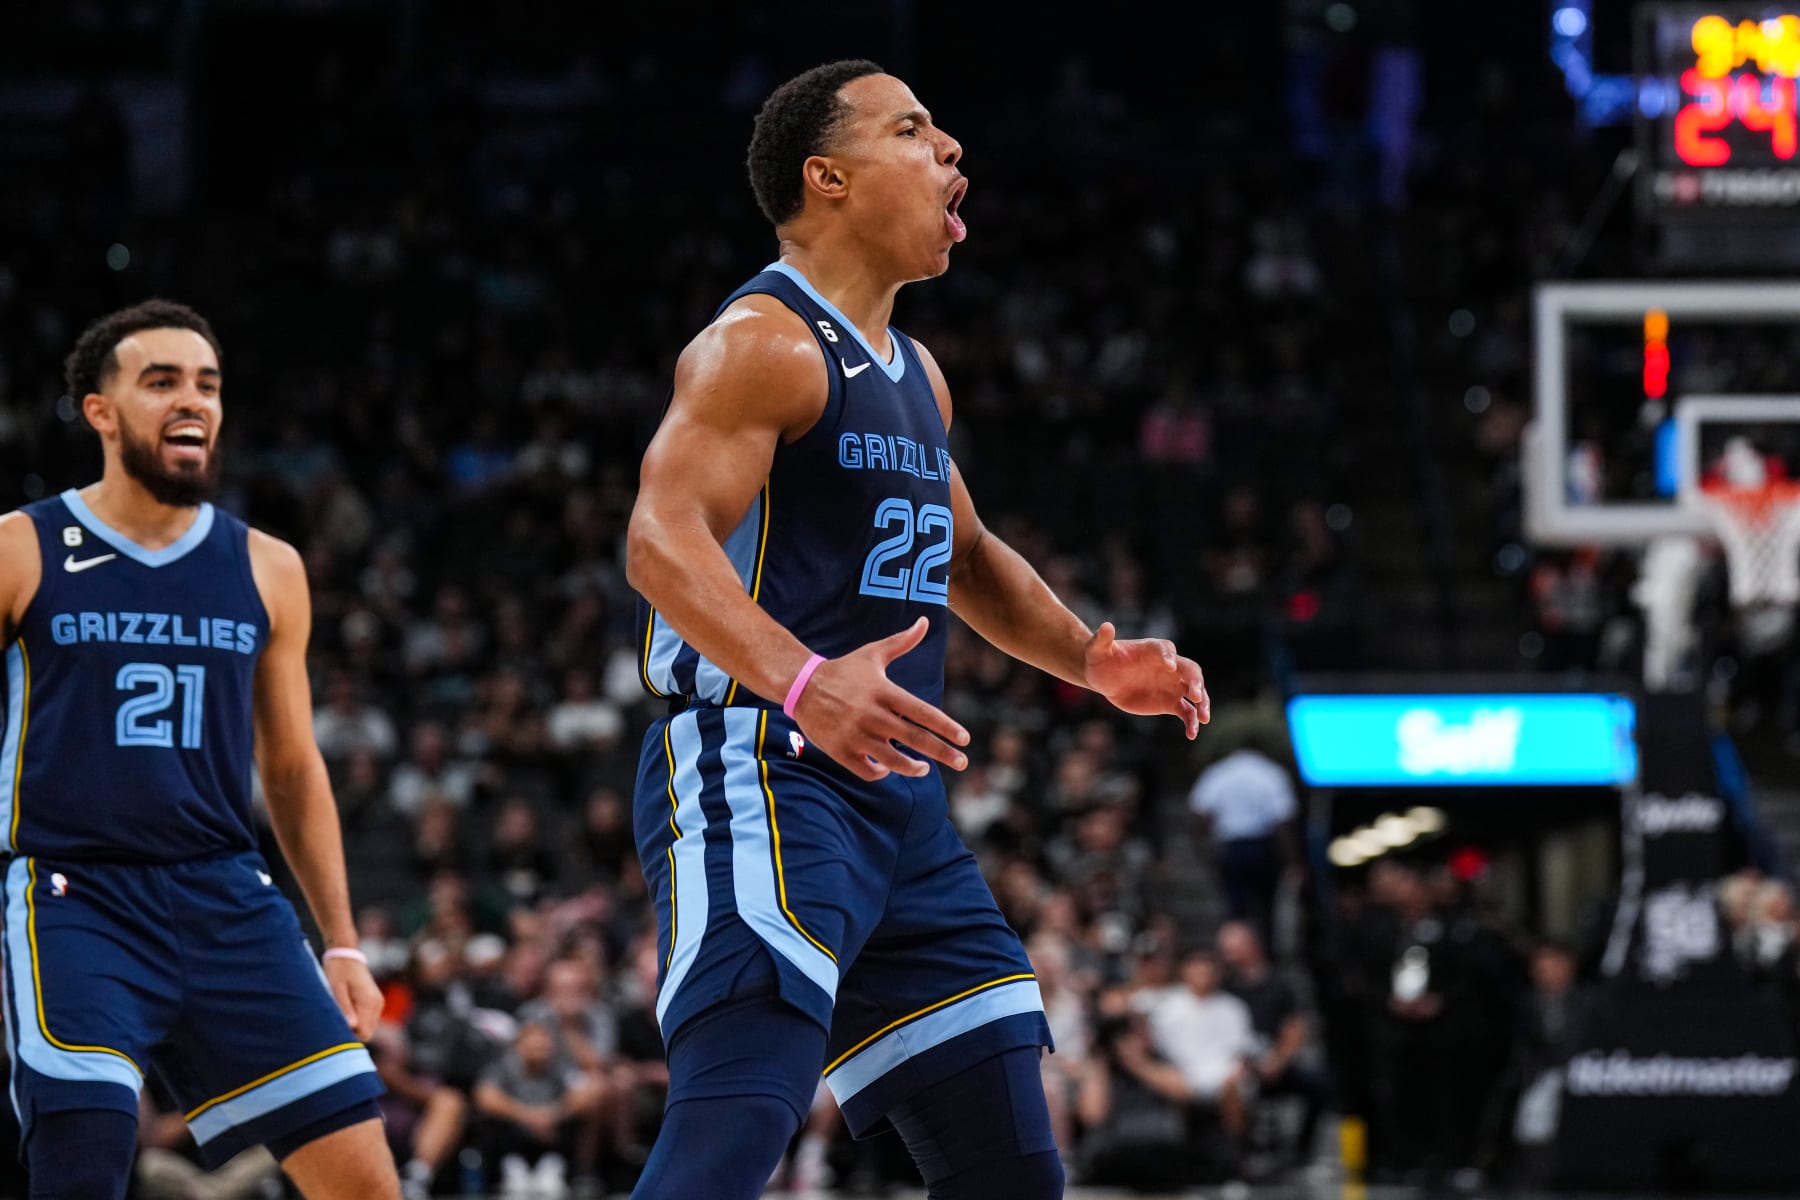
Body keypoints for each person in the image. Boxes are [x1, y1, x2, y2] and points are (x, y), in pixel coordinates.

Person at [625, 59, 1210, 1200]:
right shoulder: (763, 342)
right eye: (914, 130)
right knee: (734, 1133)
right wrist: (802, 683)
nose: (952, 151)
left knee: (1010, 1168)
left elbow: (970, 558)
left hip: (901, 811)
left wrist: (1091, 658)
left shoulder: (918, 376)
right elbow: (659, 540)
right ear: (827, 177)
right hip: (766, 767)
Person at [0, 301, 394, 1199]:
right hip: (76, 894)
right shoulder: (21, 548)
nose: (194, 401)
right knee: (86, 1161)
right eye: (163, 381)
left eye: (208, 385)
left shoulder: (268, 566)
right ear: (100, 411)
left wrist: (342, 942)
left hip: (227, 895)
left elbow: (291, 767)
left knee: (365, 1181)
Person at [1187, 743, 1299, 941]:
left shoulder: (1219, 772)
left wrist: (1202, 850)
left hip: (1232, 848)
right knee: (1266, 907)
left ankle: (1237, 953)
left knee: (1234, 908)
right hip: (1263, 848)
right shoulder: (1271, 772)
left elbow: (1199, 812)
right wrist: (1291, 860)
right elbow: (1283, 821)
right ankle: (1262, 952)